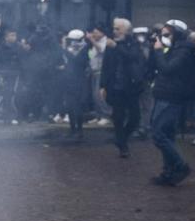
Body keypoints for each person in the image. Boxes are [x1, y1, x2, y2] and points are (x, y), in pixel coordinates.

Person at [147, 20, 195, 186]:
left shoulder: (184, 51)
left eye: (167, 33)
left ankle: (180, 165)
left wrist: (159, 52)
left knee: (158, 134)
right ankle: (168, 171)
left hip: (171, 96)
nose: (164, 36)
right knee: (167, 135)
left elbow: (167, 69)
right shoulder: (175, 49)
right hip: (164, 94)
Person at [99, 18, 144, 157]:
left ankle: (121, 138)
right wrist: (103, 85)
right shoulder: (111, 44)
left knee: (135, 117)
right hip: (115, 86)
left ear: (126, 30)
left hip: (130, 85)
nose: (115, 31)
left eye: (118, 28)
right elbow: (105, 66)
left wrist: (116, 47)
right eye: (114, 28)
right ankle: (123, 147)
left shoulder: (133, 42)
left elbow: (133, 56)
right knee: (118, 117)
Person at [58, 29, 91, 139]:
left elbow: (78, 62)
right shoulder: (68, 49)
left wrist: (67, 52)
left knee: (78, 106)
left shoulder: (85, 50)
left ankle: (79, 130)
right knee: (70, 106)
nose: (72, 42)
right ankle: (72, 129)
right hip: (68, 81)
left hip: (80, 82)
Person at [87, 24, 113, 126]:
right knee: (95, 96)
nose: (94, 34)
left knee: (100, 95)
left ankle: (106, 116)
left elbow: (101, 50)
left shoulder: (106, 41)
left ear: (102, 33)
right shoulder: (95, 42)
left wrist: (91, 40)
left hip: (102, 72)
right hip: (94, 72)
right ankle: (98, 115)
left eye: (96, 32)